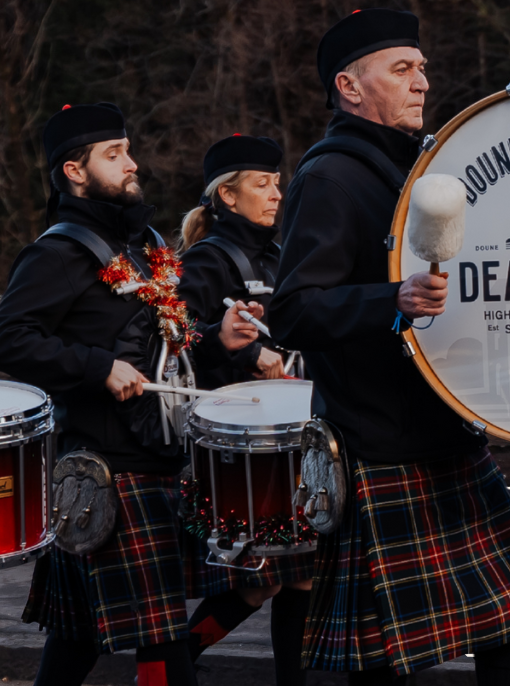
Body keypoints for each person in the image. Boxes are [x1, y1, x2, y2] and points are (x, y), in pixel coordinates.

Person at [268, 8, 510, 686]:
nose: (422, 81)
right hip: (380, 444)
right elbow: (292, 310)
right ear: (349, 86)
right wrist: (389, 299)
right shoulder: (331, 177)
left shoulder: (432, 167)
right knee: (383, 662)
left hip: (450, 431)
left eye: (422, 67)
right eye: (402, 69)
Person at [0, 102, 262, 686]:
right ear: (74, 171)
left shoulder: (147, 246)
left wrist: (218, 341)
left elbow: (168, 345)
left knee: (78, 636)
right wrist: (95, 367)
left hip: (159, 462)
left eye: (128, 149)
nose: (132, 162)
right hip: (110, 475)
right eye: (114, 154)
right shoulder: (57, 253)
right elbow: (6, 341)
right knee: (160, 640)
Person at [172, 133, 315, 686]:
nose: (276, 194)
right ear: (228, 197)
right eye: (262, 184)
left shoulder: (280, 256)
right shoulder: (208, 261)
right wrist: (243, 349)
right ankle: (175, 660)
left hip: (290, 440)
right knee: (264, 582)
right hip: (237, 452)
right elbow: (170, 338)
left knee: (294, 578)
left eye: (278, 183)